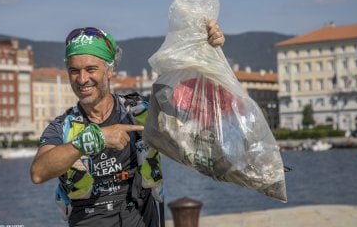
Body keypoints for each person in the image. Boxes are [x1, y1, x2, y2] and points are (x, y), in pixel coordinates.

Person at [30, 19, 225, 227]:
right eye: (74, 71)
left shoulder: (140, 111)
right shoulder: (63, 127)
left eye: (91, 69)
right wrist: (91, 140)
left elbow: (193, 101)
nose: (82, 78)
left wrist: (206, 52)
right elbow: (38, 172)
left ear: (110, 70)